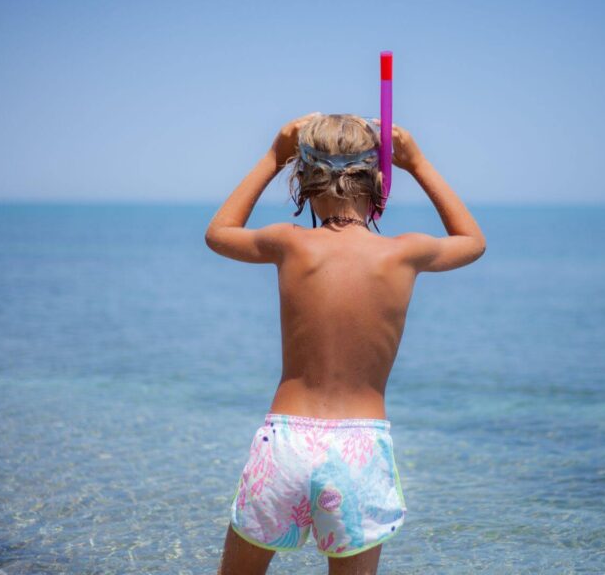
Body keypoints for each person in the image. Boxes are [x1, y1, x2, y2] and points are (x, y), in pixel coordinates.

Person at [205, 112, 486, 575]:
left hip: (287, 441)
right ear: (381, 180)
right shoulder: (404, 252)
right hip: (359, 445)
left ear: (303, 181)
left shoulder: (290, 243)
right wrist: (418, 163)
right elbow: (472, 241)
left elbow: (218, 234)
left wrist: (272, 155)